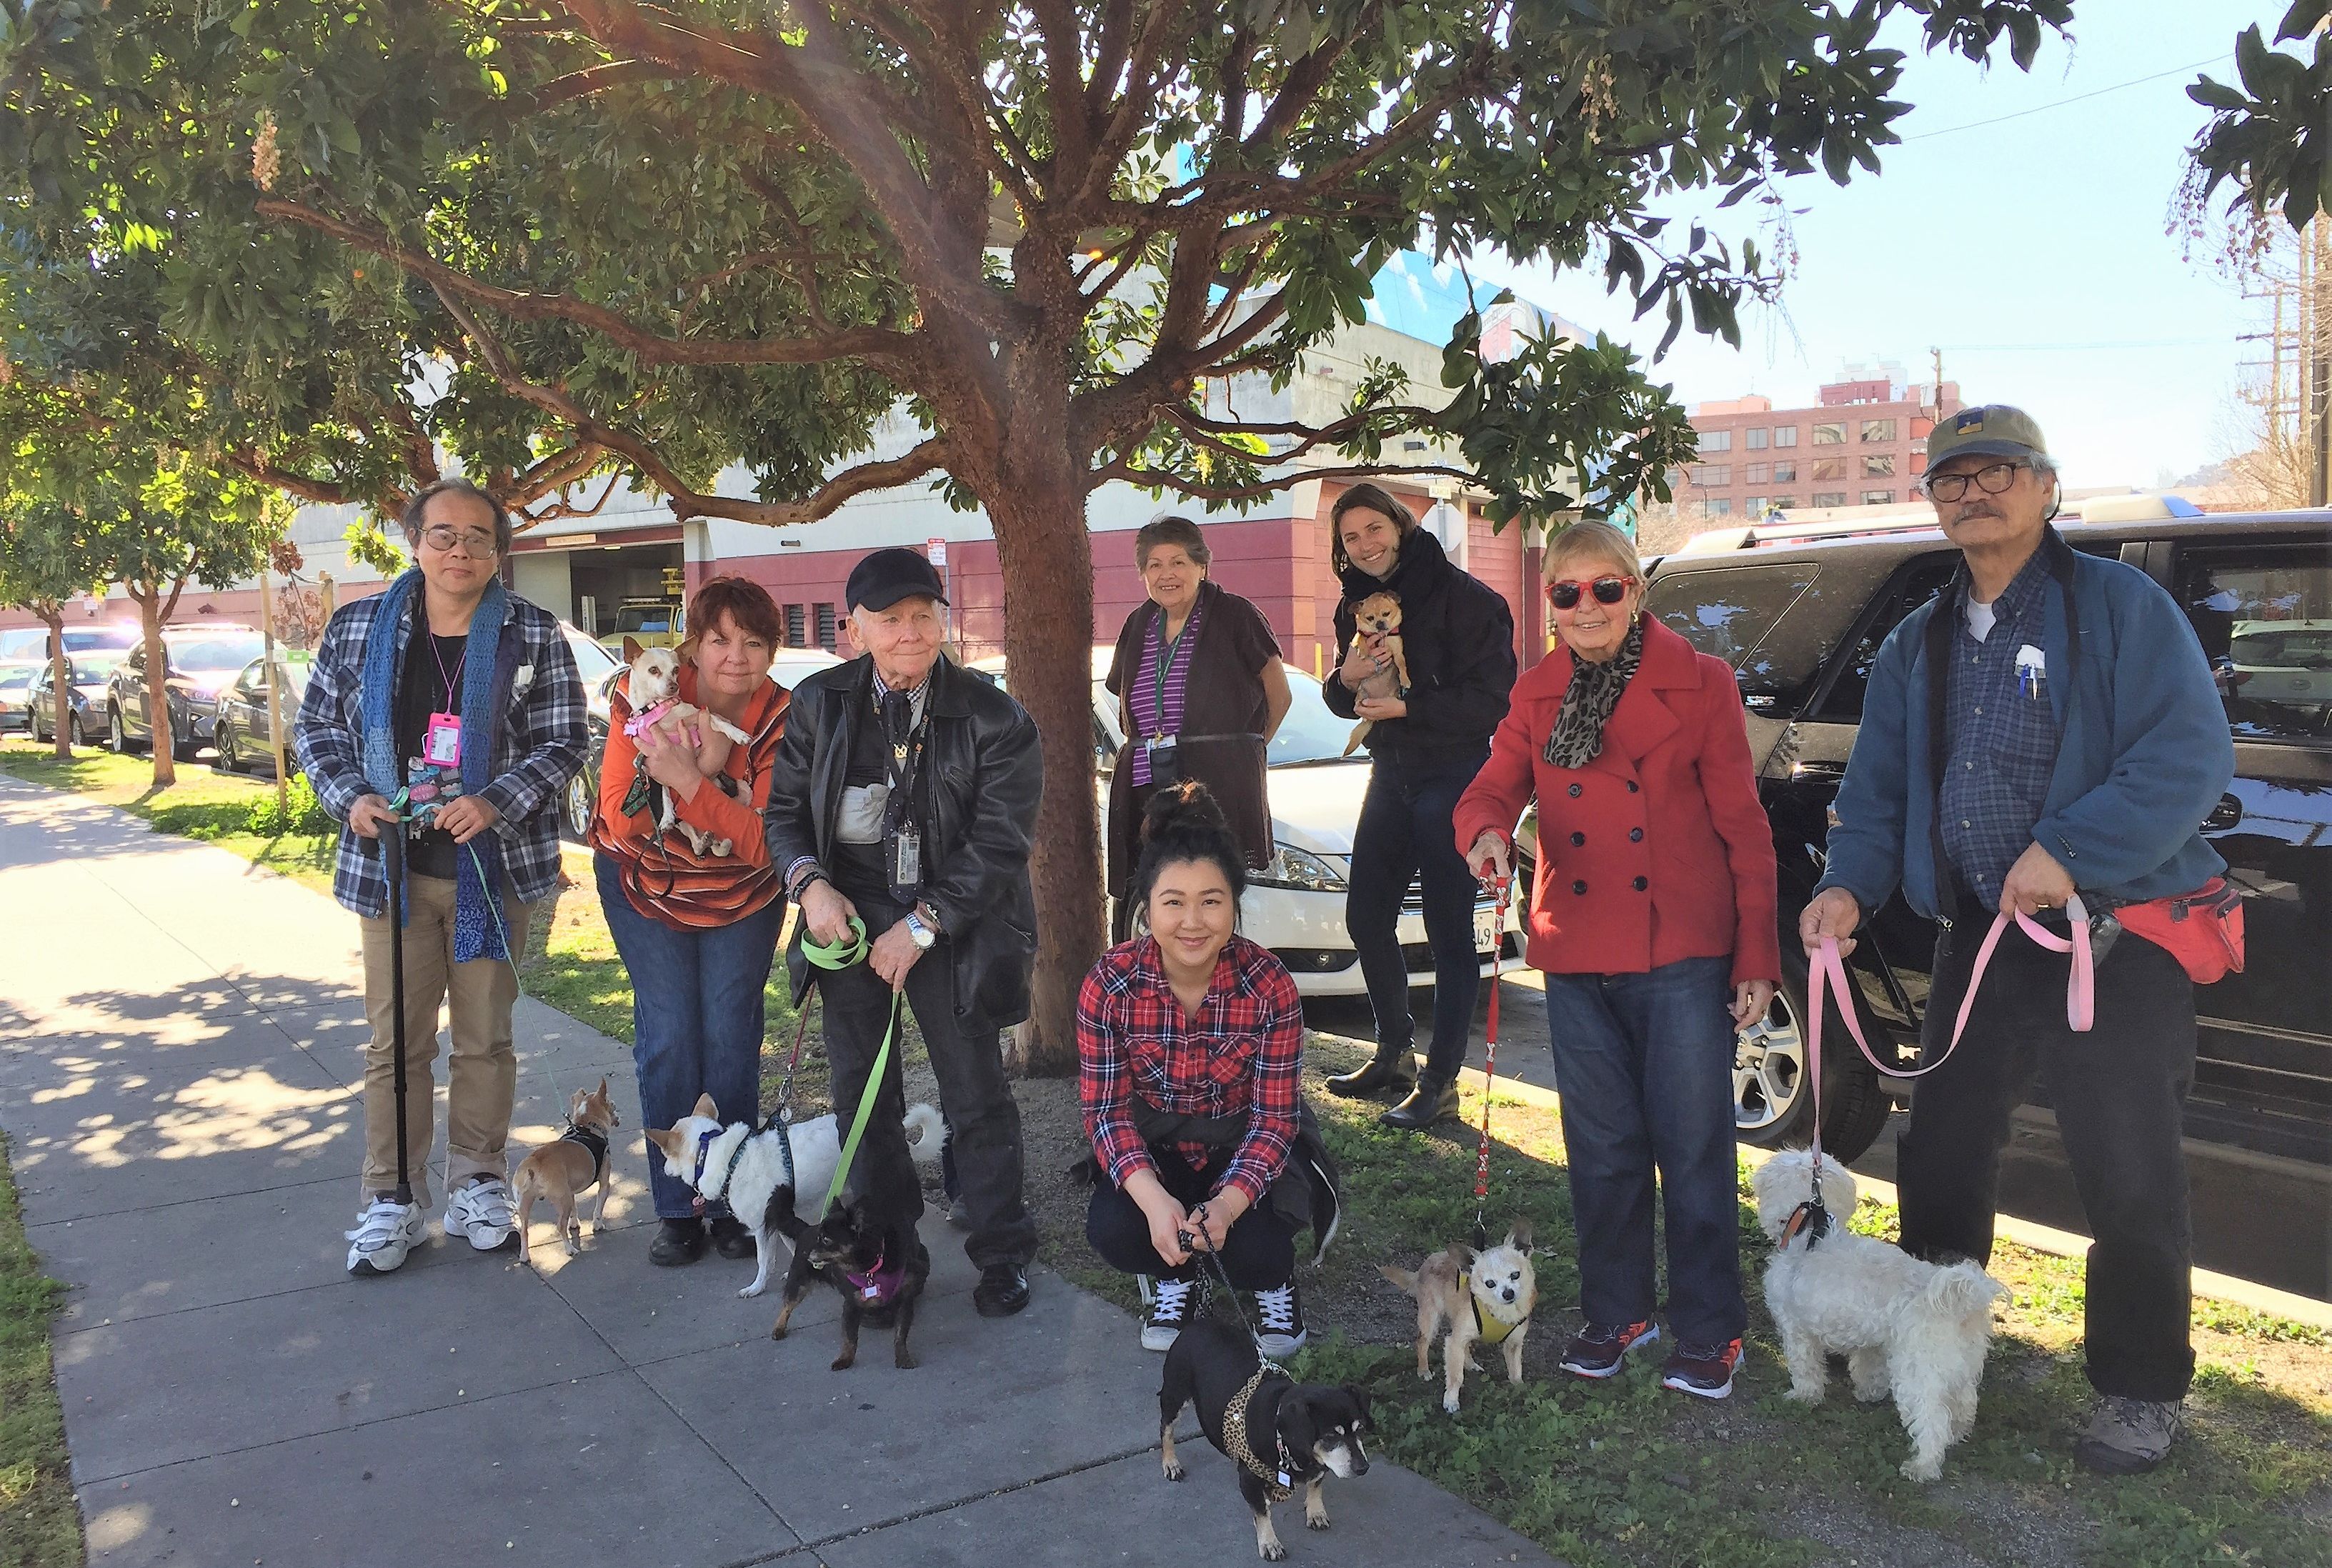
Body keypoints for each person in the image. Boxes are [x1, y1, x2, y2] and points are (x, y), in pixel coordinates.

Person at [1801, 405, 2235, 1474]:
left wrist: (2072, 849)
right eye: (1953, 477)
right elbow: (1877, 787)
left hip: (2111, 944)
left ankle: (2138, 1389)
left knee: (2129, 1172)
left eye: (1999, 472)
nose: (1973, 492)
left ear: (2046, 486)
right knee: (1941, 1151)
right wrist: (1845, 887)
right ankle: (1938, 1356)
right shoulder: (1922, 639)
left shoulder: (2121, 608)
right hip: (1979, 946)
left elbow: (2190, 754)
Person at [1455, 520, 1778, 1400]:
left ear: (1637, 591)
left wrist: (1757, 954)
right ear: (1548, 601)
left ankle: (1712, 1325)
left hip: (1681, 947)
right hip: (1576, 944)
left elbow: (1746, 830)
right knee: (1599, 1148)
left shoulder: (1702, 682)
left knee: (1694, 1144)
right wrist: (1485, 831)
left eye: (1607, 588)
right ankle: (1619, 1310)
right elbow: (1493, 785)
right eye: (1567, 591)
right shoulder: (1536, 692)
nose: (1587, 606)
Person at [297, 479, 589, 1277]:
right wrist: (350, 796)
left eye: (479, 537)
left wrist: (495, 800)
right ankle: (391, 1196)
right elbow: (316, 725)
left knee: (486, 1040)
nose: (460, 550)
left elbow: (565, 741)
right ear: (414, 540)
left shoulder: (531, 632)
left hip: (490, 874)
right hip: (391, 872)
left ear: (501, 548)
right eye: (444, 534)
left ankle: (479, 1182)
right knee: (396, 1045)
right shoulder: (360, 626)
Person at [764, 547, 1043, 1317]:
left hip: (954, 919)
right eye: (891, 620)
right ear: (855, 629)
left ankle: (1002, 1251)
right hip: (848, 912)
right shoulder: (818, 702)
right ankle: (889, 1248)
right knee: (861, 1095)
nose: (911, 634)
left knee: (975, 1093)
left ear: (944, 621)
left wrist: (920, 924)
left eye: (925, 616)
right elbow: (784, 816)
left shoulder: (993, 714)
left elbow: (1000, 844)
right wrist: (810, 884)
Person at [590, 576, 793, 1266]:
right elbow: (619, 814)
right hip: (646, 885)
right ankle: (680, 1204)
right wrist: (713, 799)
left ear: (773, 650)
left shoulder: (780, 717)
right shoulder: (644, 694)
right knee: (672, 1029)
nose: (736, 656)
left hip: (743, 892)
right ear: (690, 649)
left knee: (731, 1030)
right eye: (718, 640)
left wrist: (688, 784)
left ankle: (736, 1193)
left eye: (754, 641)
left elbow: (766, 840)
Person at [1080, 782, 1323, 1358]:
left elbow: (1273, 1121)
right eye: (1174, 901)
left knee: (1259, 1250)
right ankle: (1175, 1276)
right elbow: (1106, 1113)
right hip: (1156, 1146)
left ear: (1235, 903)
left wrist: (1228, 1204)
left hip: (1240, 1146)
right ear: (1146, 904)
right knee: (1117, 1229)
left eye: (1211, 900)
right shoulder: (1109, 983)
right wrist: (1154, 1200)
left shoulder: (1270, 985)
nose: (1193, 921)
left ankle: (1271, 1283)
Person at [1318, 484, 1517, 1129]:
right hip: (1390, 773)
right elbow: (1342, 696)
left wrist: (1409, 707)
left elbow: (1490, 701)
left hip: (1453, 778)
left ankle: (1441, 1082)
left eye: (1374, 529)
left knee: (1448, 932)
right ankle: (1395, 1053)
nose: (1365, 544)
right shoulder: (1354, 603)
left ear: (1400, 526)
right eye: (1351, 537)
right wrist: (1344, 681)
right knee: (1365, 918)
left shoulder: (1469, 599)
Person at [1105, 516, 1292, 942]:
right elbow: (1125, 704)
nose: (1166, 574)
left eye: (1178, 562)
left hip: (1217, 785)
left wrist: (1245, 755)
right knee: (1152, 889)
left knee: (1210, 890)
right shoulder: (1137, 624)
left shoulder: (1235, 614)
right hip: (1147, 784)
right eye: (1154, 565)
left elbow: (1280, 696)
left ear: (1202, 566)